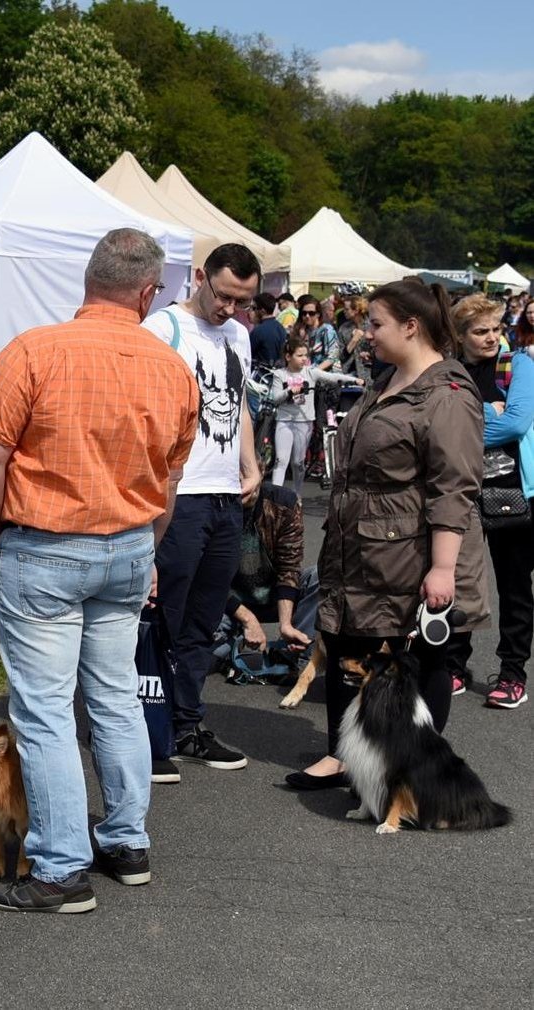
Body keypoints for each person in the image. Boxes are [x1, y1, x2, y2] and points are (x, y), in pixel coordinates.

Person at [0, 229, 198, 913]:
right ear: (148, 292)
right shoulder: (169, 366)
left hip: (44, 543)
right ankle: (124, 840)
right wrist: (145, 541)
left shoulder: (35, 349)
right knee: (115, 697)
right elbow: (169, 477)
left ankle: (61, 866)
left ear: (87, 280)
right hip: (125, 543)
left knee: (42, 711)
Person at [287, 281, 489, 790]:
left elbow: (454, 488)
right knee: (342, 636)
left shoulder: (448, 393)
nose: (366, 334)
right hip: (363, 548)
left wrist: (443, 569)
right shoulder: (388, 379)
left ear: (410, 326)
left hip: (412, 554)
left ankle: (415, 775)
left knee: (418, 660)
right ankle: (343, 755)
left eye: (376, 324)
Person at [144, 243, 264, 778]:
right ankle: (151, 730)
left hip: (225, 496)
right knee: (162, 615)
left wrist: (251, 464)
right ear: (200, 277)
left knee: (204, 618)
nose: (231, 309)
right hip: (178, 495)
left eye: (244, 300)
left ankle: (189, 722)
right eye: (224, 295)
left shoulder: (238, 333)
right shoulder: (162, 328)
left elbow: (238, 404)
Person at [451, 294, 534, 708]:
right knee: (455, 579)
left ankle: (512, 673)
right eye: (480, 331)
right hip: (461, 487)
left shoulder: (518, 365)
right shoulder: (450, 370)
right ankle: (452, 663)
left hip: (512, 490)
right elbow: (438, 423)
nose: (491, 338)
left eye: (495, 329)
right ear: (460, 335)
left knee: (515, 586)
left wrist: (469, 422)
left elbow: (516, 422)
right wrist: (489, 410)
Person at [214, 483, 318, 678]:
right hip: (227, 602)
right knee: (206, 657)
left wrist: (285, 624)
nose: (244, 489)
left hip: (273, 594)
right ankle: (227, 643)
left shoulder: (283, 503)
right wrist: (247, 619)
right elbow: (209, 576)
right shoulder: (215, 502)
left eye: (247, 478)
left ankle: (293, 651)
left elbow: (289, 567)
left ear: (260, 473)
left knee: (318, 577)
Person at [262, 336, 362, 493]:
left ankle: (297, 494)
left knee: (297, 462)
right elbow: (275, 398)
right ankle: (276, 498)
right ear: (288, 357)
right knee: (281, 461)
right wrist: (289, 391)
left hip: (304, 422)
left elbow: (333, 377)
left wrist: (354, 380)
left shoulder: (311, 373)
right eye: (299, 355)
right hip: (284, 421)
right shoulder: (279, 375)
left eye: (305, 355)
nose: (304, 359)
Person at [249, 292, 289, 367]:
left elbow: (248, 354)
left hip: (262, 374)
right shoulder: (280, 327)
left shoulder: (259, 331)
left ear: (262, 311)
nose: (251, 311)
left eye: (254, 308)